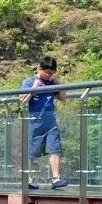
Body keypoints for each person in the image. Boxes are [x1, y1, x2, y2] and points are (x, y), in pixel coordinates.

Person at [20, 56, 68, 188]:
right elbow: (23, 100)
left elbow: (63, 98)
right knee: (33, 153)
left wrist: (57, 83)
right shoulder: (29, 81)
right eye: (47, 72)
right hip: (34, 123)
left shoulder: (52, 83)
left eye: (52, 73)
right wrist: (34, 88)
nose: (48, 75)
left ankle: (56, 179)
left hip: (50, 123)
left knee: (55, 149)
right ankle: (31, 180)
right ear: (39, 69)